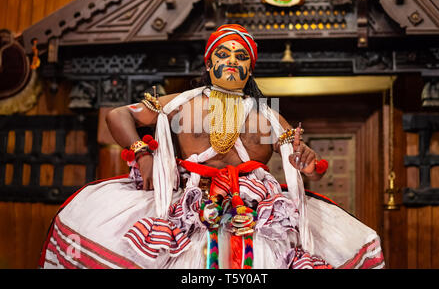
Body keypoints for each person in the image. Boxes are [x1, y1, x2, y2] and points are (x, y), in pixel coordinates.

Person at [39, 24, 384, 269]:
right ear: (208, 63)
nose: (232, 60)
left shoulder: (268, 115)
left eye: (241, 56)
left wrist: (305, 160)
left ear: (251, 67)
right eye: (223, 53)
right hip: (189, 202)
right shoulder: (182, 102)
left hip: (255, 213)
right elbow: (117, 116)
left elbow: (301, 160)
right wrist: (142, 155)